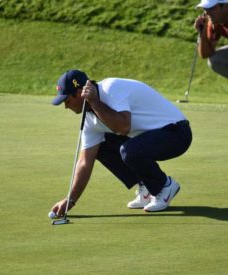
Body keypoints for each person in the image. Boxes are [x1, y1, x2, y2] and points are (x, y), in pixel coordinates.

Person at [50, 69, 192, 215]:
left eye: (67, 101)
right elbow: (85, 162)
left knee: (129, 151)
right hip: (150, 137)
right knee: (101, 146)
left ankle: (164, 186)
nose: (66, 106)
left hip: (177, 133)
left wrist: (94, 101)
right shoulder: (89, 120)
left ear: (81, 92)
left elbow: (124, 127)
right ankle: (147, 187)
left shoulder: (111, 88)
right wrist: (70, 199)